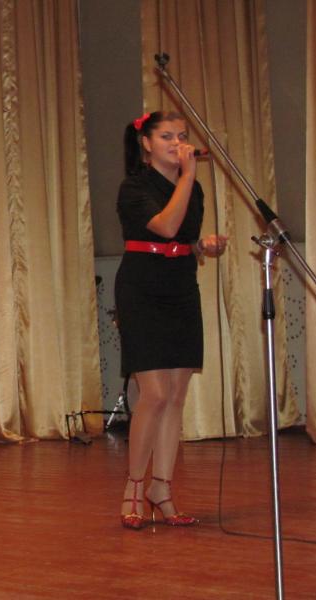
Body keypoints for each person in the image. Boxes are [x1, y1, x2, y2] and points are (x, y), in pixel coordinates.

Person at [115, 111, 227, 530]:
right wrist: (187, 176)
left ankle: (161, 488)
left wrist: (203, 246)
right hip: (142, 289)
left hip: (181, 287)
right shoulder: (134, 187)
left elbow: (182, 236)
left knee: (177, 395)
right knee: (156, 394)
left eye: (181, 135)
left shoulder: (192, 188)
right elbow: (164, 226)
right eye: (166, 136)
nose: (177, 143)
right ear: (146, 143)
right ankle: (134, 486)